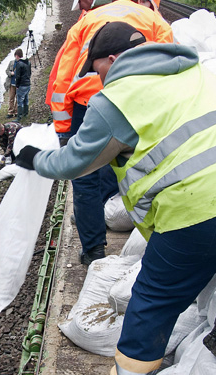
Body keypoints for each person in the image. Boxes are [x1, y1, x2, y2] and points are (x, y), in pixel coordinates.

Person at [16, 22, 216, 374]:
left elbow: (76, 162)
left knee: (152, 308)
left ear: (114, 58)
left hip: (192, 214)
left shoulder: (115, 99)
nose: (96, 77)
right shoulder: (199, 73)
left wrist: (34, 158)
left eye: (96, 68)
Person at [48, 0, 173, 266]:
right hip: (137, 97)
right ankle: (157, 241)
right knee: (141, 166)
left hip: (87, 99)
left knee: (84, 174)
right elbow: (169, 62)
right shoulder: (153, 19)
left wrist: (64, 130)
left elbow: (62, 77)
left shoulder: (86, 20)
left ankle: (93, 248)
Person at [14, 49, 31, 122]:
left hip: (21, 84)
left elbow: (18, 76)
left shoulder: (19, 64)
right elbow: (30, 73)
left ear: (17, 56)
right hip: (27, 84)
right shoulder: (28, 62)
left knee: (20, 100)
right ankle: (25, 113)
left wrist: (17, 85)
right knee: (26, 99)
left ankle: (19, 116)